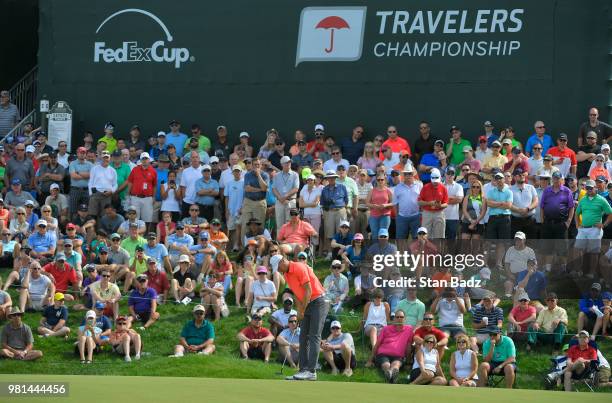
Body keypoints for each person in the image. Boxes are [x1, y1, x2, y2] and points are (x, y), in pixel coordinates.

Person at [278, 256, 329, 381]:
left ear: (283, 261)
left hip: (319, 301)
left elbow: (308, 290)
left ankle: (311, 371)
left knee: (314, 336)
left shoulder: (299, 267)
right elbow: (297, 293)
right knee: (303, 336)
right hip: (308, 303)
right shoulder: (286, 274)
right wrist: (300, 310)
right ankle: (303, 370)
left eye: (279, 267)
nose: (278, 270)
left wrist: (302, 310)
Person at [366, 310, 414, 384]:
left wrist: (408, 362)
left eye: (401, 317)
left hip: (398, 356)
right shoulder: (385, 329)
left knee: (396, 365)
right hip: (383, 354)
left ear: (405, 319)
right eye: (397, 317)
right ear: (394, 319)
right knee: (386, 365)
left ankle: (391, 374)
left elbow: (408, 346)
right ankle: (390, 374)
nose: (399, 319)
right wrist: (370, 360)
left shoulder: (409, 329)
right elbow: (377, 344)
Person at [417, 168, 448, 239]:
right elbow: (419, 202)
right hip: (427, 213)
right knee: (425, 236)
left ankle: (438, 250)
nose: (435, 182)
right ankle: (426, 250)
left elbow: (446, 203)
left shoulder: (443, 188)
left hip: (439, 213)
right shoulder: (425, 187)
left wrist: (440, 205)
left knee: (439, 236)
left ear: (440, 178)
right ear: (431, 178)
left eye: (436, 180)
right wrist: (429, 203)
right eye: (433, 180)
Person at [88, 150, 117, 217]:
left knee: (104, 216)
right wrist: (91, 194)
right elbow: (90, 182)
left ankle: (101, 228)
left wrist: (111, 191)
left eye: (107, 157)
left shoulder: (113, 171)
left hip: (107, 195)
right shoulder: (94, 169)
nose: (105, 159)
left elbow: (115, 184)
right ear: (101, 158)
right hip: (95, 194)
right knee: (92, 215)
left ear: (110, 158)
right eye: (104, 157)